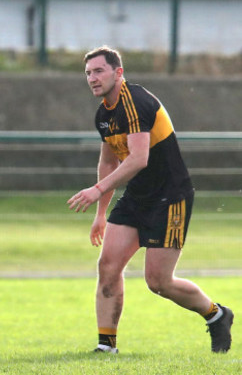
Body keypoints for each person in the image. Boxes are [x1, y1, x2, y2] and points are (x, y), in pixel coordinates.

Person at [67, 45, 233, 354]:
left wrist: (97, 190)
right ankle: (106, 346)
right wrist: (101, 214)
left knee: (158, 282)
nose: (92, 77)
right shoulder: (104, 113)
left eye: (99, 70)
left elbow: (138, 159)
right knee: (108, 264)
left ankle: (216, 314)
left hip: (170, 197)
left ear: (118, 72)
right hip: (136, 198)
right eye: (88, 72)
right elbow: (109, 161)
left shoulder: (136, 102)